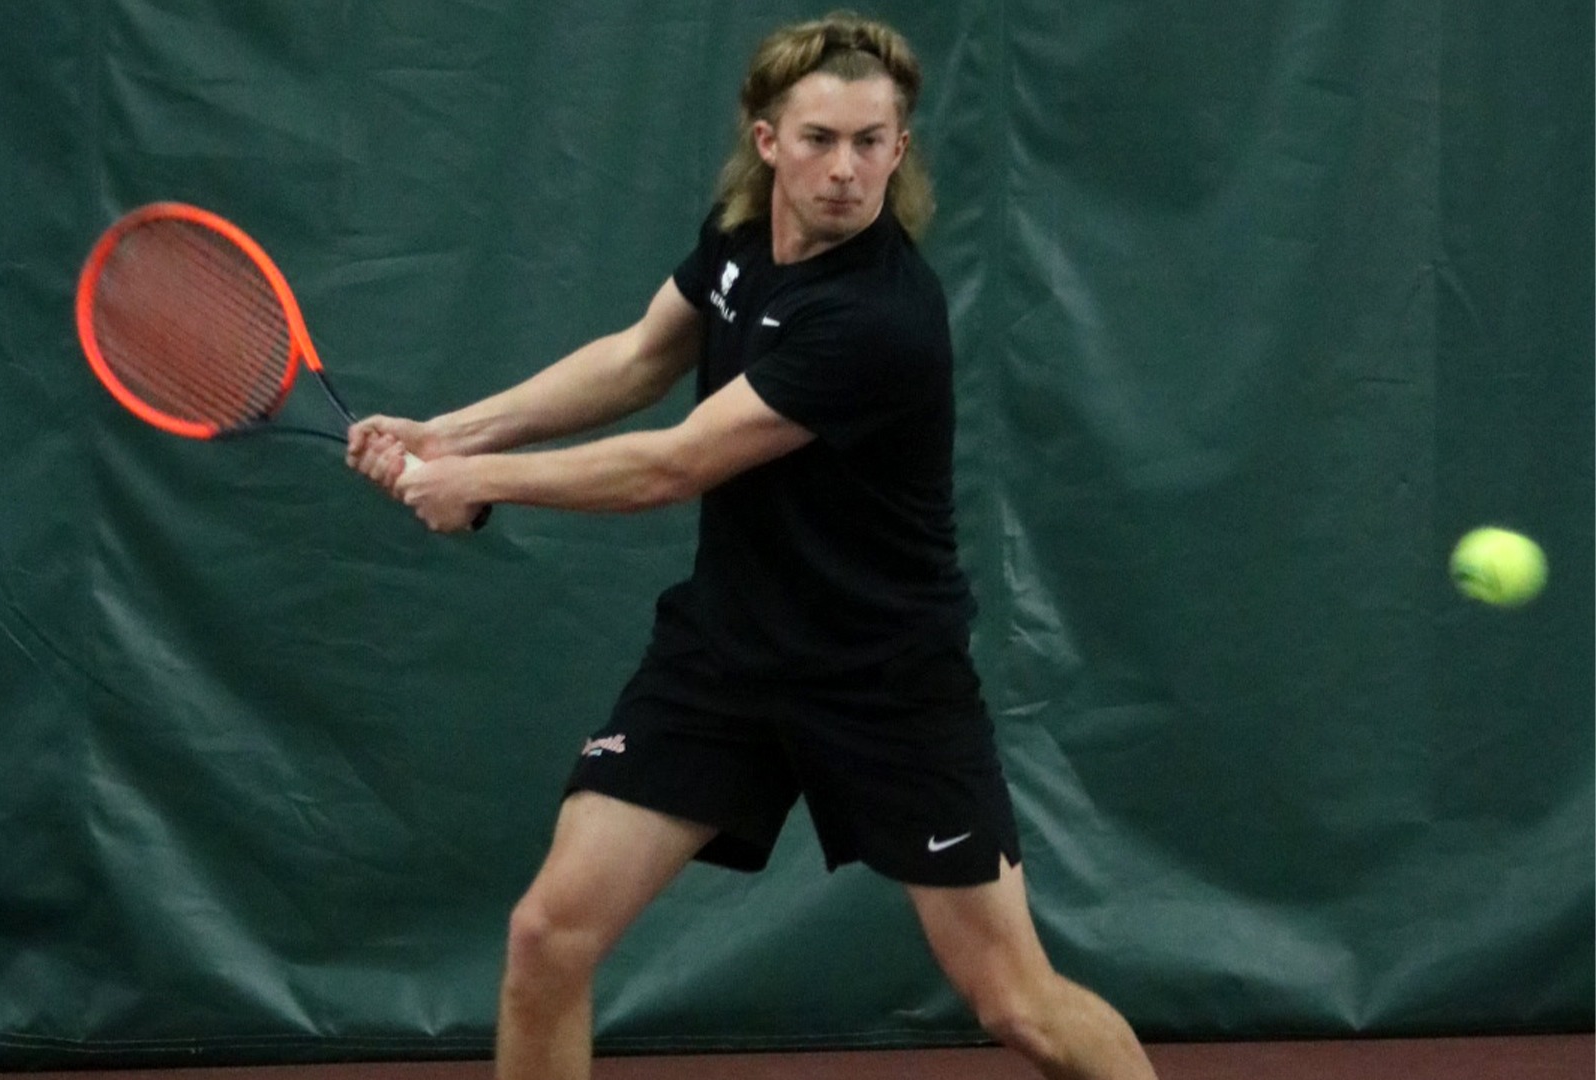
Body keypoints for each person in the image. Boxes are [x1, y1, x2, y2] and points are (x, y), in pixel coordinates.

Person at [346, 12, 1158, 1080]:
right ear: (767, 141)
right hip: (726, 661)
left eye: (873, 142)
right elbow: (637, 358)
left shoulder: (879, 318)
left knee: (1016, 1003)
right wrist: (449, 432)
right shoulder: (739, 236)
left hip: (884, 682)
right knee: (548, 936)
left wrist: (474, 482)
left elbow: (672, 463)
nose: (846, 169)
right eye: (820, 139)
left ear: (900, 151)